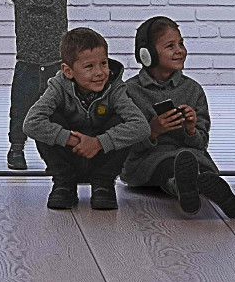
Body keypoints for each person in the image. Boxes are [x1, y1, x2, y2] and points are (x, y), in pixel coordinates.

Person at [122, 16, 235, 218]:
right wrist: (152, 131)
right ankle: (183, 185)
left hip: (190, 155)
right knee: (168, 165)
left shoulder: (193, 89)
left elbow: (201, 143)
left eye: (181, 43)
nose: (180, 50)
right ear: (147, 54)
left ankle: (204, 186)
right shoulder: (129, 92)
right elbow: (124, 146)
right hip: (148, 161)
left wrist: (191, 129)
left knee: (194, 163)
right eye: (170, 46)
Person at [24, 27, 148, 210]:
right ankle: (64, 184)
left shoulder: (115, 89)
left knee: (123, 122)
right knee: (47, 120)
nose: (99, 72)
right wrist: (72, 140)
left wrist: (98, 143)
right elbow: (31, 123)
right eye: (89, 66)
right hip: (70, 154)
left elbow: (141, 127)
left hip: (102, 157)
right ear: (68, 71)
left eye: (103, 63)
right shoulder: (58, 87)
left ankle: (103, 185)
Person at [0, 0, 79, 171]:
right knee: (21, 109)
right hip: (28, 65)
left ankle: (56, 156)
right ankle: (16, 149)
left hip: (57, 65)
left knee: (58, 112)